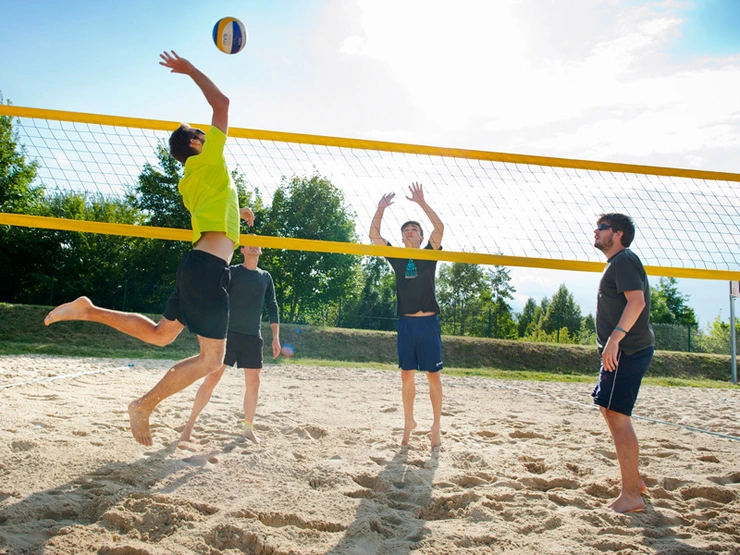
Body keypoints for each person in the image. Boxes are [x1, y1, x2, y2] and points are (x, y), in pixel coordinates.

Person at [44, 51, 255, 446]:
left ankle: (87, 310)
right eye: (202, 133)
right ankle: (143, 405)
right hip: (207, 269)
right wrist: (191, 70)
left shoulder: (191, 178)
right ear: (196, 141)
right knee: (211, 360)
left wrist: (237, 210)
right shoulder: (208, 159)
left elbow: (214, 211)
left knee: (161, 336)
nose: (209, 135)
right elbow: (222, 104)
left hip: (200, 264)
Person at [179, 243, 280, 444]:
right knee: (211, 380)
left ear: (261, 249)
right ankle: (188, 428)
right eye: (248, 244)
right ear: (241, 250)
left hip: (252, 337)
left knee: (254, 384)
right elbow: (214, 296)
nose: (253, 246)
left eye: (257, 244)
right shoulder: (232, 272)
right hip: (227, 334)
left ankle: (247, 430)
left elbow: (272, 306)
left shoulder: (265, 277)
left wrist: (276, 337)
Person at [369, 182, 444, 449]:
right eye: (406, 230)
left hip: (428, 322)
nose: (410, 231)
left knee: (433, 376)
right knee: (406, 374)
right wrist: (380, 209)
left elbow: (440, 228)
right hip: (406, 322)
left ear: (421, 238)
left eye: (414, 229)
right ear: (402, 238)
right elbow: (374, 235)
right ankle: (409, 421)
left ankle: (436, 425)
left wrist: (422, 203)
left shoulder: (429, 253)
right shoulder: (398, 256)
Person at [591, 213, 655, 513]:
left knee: (617, 415)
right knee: (609, 409)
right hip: (620, 350)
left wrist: (615, 339)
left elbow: (637, 301)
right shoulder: (618, 263)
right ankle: (636, 481)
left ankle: (631, 495)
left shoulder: (625, 260)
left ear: (617, 234)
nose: (596, 231)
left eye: (601, 228)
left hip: (627, 350)